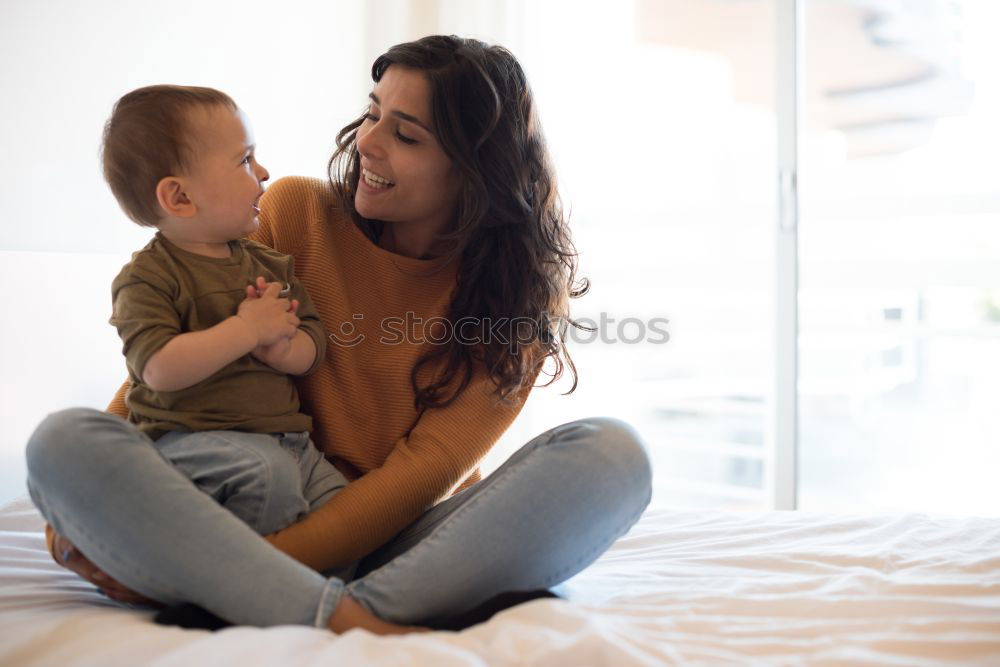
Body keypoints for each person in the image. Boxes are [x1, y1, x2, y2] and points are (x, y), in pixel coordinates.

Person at [25, 35, 653, 635]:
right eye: (372, 114)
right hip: (235, 507)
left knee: (612, 455)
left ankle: (296, 604)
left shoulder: (512, 309)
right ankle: (344, 615)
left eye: (405, 134)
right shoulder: (291, 212)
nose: (368, 143)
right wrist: (76, 520)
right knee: (65, 441)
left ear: (473, 174)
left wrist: (233, 569)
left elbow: (416, 480)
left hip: (389, 542)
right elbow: (159, 377)